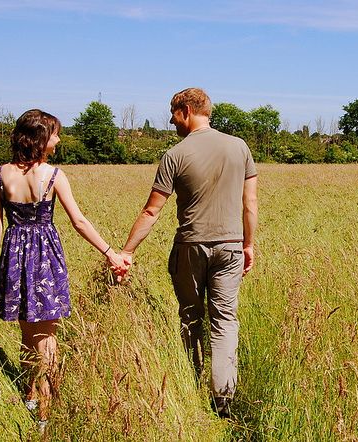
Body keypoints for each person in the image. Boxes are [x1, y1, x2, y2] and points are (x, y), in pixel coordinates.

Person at [117, 88, 258, 418]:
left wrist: (126, 251)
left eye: (173, 111)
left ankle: (192, 390)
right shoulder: (240, 148)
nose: (170, 119)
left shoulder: (175, 155)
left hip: (190, 247)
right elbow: (249, 203)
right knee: (224, 322)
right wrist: (248, 244)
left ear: (186, 110)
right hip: (230, 247)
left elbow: (152, 212)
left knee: (191, 319)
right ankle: (223, 400)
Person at [0, 109, 128, 433]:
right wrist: (110, 253)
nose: (59, 139)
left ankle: (29, 397)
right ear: (40, 138)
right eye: (54, 134)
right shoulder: (54, 176)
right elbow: (79, 221)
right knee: (47, 337)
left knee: (26, 335)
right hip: (45, 258)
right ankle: (44, 415)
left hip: (13, 257)